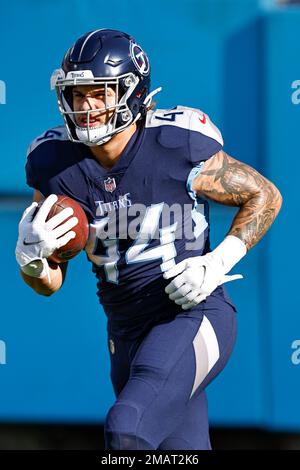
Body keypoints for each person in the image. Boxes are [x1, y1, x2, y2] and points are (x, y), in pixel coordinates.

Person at [15, 29, 282, 450]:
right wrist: (32, 261)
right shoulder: (55, 166)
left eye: (99, 92)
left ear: (132, 91)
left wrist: (216, 263)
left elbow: (264, 195)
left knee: (127, 429)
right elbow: (50, 283)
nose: (86, 106)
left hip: (192, 315)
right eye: (77, 93)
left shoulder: (176, 143)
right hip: (125, 333)